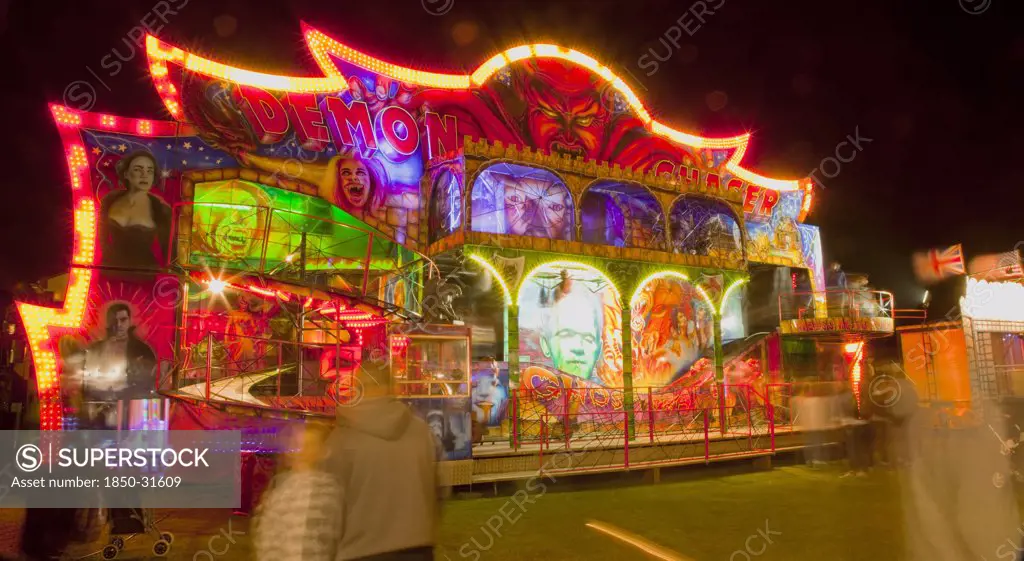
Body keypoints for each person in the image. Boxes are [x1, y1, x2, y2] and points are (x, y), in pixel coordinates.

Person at [324, 361, 442, 560]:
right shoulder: (421, 431)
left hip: (360, 550)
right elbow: (436, 490)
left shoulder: (342, 438)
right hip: (417, 547)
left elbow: (328, 503)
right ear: (390, 387)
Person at [253, 420, 341, 561]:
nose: (302, 451)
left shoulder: (329, 488)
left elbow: (333, 539)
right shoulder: (280, 486)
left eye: (310, 445)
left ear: (322, 451)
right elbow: (266, 533)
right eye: (298, 445)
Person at [99, 150, 172, 269]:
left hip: (145, 274)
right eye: (138, 169)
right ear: (126, 174)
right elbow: (101, 237)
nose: (144, 175)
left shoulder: (160, 208)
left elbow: (168, 251)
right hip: (109, 269)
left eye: (150, 171)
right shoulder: (110, 200)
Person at [81, 303, 157, 401]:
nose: (118, 324)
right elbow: (87, 383)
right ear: (108, 322)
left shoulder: (142, 350)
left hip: (130, 405)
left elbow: (147, 383)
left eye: (123, 320)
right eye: (114, 320)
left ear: (129, 321)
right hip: (99, 404)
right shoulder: (95, 349)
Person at [539, 288, 602, 383]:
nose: (578, 349)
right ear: (545, 344)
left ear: (599, 349)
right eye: (567, 335)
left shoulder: (610, 395)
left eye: (588, 339)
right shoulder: (538, 392)